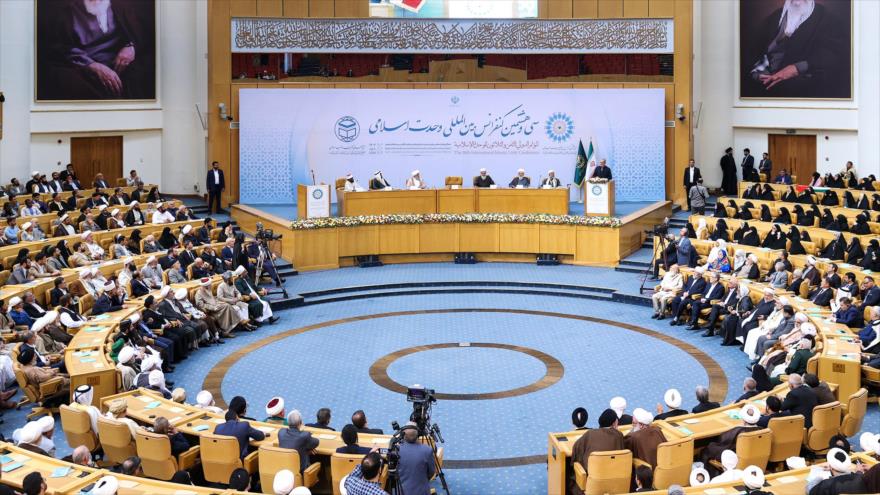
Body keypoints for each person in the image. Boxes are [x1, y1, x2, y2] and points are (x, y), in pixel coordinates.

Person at [742, 0, 848, 99]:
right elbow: (757, 50)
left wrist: (796, 68)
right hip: (766, 83)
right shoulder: (774, 17)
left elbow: (833, 56)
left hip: (802, 88)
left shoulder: (828, 19)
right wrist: (758, 72)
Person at [571, 409, 624, 487]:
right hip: (614, 480)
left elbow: (576, 449)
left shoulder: (590, 434)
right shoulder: (619, 435)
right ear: (614, 423)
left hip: (591, 482)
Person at [806, 448, 870, 495]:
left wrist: (818, 478)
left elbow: (810, 490)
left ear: (830, 466)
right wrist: (859, 472)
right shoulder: (862, 478)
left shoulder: (826, 484)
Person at [398, 423, 435, 495]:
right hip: (421, 491)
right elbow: (431, 472)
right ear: (417, 434)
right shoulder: (427, 450)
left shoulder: (396, 450)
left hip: (400, 491)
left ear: (403, 435)